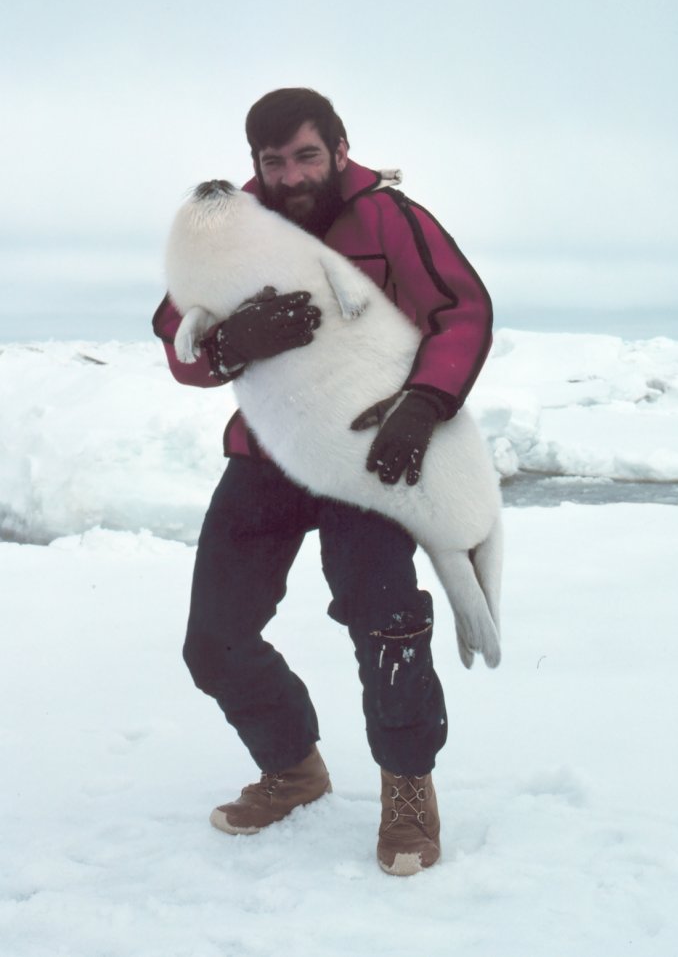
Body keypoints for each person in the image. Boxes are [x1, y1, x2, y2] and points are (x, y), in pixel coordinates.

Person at [152, 88, 493, 876]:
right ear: (255, 164)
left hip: (364, 458)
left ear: (340, 148)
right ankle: (293, 769)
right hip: (267, 456)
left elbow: (462, 311)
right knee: (214, 638)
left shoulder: (389, 217)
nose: (292, 175)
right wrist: (230, 342)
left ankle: (408, 787)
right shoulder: (230, 222)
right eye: (274, 162)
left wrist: (426, 404)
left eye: (307, 156)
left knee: (387, 622)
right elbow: (177, 333)